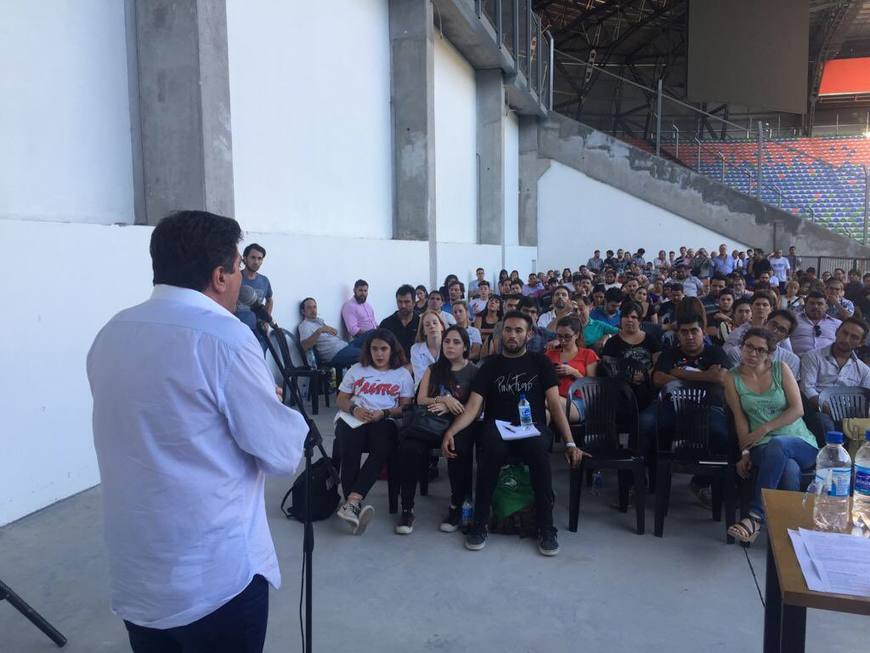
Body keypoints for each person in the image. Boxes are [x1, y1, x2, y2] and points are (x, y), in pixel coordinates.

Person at [87, 211, 307, 652]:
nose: (243, 280)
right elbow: (281, 455)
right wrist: (273, 405)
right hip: (214, 580)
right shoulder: (227, 338)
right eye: (238, 269)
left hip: (139, 576)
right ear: (219, 275)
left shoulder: (112, 332)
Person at [440, 311, 585, 556]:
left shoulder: (541, 363)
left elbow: (555, 405)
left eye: (519, 330)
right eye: (508, 330)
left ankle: (545, 527)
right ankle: (479, 523)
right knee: (490, 451)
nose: (512, 335)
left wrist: (570, 442)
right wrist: (451, 431)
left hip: (532, 428)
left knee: (539, 452)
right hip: (498, 428)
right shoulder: (490, 365)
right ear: (501, 333)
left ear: (529, 334)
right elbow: (474, 407)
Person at [724, 328, 818, 543]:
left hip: (800, 441)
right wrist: (745, 452)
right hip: (761, 447)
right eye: (749, 347)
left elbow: (798, 409)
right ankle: (788, 532)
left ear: (769, 354)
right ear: (741, 347)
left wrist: (764, 428)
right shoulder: (732, 377)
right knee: (789, 469)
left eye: (760, 350)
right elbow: (740, 418)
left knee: (780, 445)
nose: (753, 353)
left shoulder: (780, 369)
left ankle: (754, 517)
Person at [638, 312, 733, 499]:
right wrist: (703, 376)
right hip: (669, 405)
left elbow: (719, 377)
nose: (689, 336)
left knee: (722, 435)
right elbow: (658, 378)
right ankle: (651, 478)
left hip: (707, 407)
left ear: (703, 332)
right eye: (684, 332)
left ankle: (702, 481)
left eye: (694, 331)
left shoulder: (714, 352)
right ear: (678, 335)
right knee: (645, 424)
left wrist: (680, 373)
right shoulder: (669, 353)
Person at [397, 326, 479, 534]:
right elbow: (421, 399)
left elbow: (475, 407)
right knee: (409, 448)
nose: (450, 346)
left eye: (456, 342)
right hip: (430, 423)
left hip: (459, 423)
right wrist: (444, 399)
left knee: (458, 447)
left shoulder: (474, 371)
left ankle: (456, 506)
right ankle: (407, 508)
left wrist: (452, 407)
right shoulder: (433, 369)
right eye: (447, 341)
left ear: (466, 347)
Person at [334, 330, 414, 534]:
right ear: (368, 350)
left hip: (383, 419)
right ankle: (352, 504)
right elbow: (341, 399)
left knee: (382, 447)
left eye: (384, 349)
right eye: (375, 349)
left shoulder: (402, 374)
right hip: (354, 417)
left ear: (392, 350)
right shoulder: (357, 369)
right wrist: (355, 409)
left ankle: (352, 502)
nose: (379, 354)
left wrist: (384, 412)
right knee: (349, 447)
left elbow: (405, 407)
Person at [800, 318, 870, 443]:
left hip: (850, 416)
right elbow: (807, 387)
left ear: (861, 343)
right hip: (818, 411)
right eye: (844, 333)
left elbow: (865, 398)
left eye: (854, 337)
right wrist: (824, 406)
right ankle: (833, 456)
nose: (846, 339)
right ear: (837, 332)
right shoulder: (813, 357)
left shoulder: (864, 370)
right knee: (824, 420)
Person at [602, 301, 661, 410]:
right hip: (621, 394)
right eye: (626, 316)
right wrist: (628, 377)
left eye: (633, 317)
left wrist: (645, 375)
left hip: (648, 393)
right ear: (621, 319)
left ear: (639, 321)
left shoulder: (651, 340)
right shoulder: (612, 343)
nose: (629, 320)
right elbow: (608, 369)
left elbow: (659, 365)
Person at [546, 316, 599, 422]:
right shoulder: (550, 354)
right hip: (555, 398)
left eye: (567, 336)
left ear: (577, 335)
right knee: (545, 414)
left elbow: (592, 387)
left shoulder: (588, 354)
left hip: (579, 401)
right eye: (559, 336)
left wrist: (574, 372)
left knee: (541, 400)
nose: (563, 340)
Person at [725, 310, 800, 378]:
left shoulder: (792, 360)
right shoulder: (737, 352)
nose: (775, 330)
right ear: (765, 322)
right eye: (773, 324)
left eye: (782, 330)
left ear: (786, 337)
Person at [298, 298, 366, 369]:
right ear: (303, 311)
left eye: (314, 307)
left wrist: (332, 331)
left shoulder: (318, 322)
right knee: (367, 354)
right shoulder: (305, 325)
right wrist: (319, 331)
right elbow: (304, 346)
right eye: (309, 308)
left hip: (345, 346)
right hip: (336, 354)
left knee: (372, 334)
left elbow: (332, 333)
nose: (313, 310)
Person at [234, 243, 274, 348]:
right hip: (237, 330)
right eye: (253, 257)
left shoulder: (264, 281)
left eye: (259, 258)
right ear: (245, 258)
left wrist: (265, 321)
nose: (256, 262)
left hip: (258, 332)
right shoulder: (235, 278)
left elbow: (269, 300)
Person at [790, 290, 841, 356]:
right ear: (805, 306)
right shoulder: (793, 320)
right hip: (799, 361)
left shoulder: (837, 324)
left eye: (820, 304)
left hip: (827, 363)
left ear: (826, 307)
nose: (815, 306)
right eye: (812, 303)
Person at [379, 284, 421, 358]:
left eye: (407, 302)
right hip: (392, 366)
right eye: (400, 302)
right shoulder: (386, 324)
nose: (403, 305)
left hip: (415, 366)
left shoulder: (421, 323)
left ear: (414, 303)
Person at [410, 310, 448, 388]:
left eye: (435, 323)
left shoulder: (449, 346)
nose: (432, 326)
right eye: (427, 325)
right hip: (422, 392)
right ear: (423, 331)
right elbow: (420, 377)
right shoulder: (415, 349)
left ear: (442, 326)